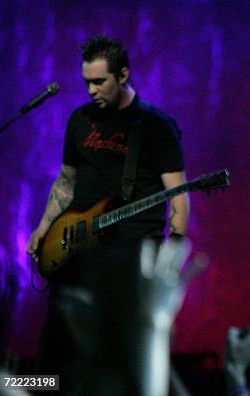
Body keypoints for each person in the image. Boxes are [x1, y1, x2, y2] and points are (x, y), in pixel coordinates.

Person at [25, 36, 190, 393]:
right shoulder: (79, 120)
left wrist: (171, 256)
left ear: (123, 74)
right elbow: (66, 181)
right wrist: (42, 227)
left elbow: (180, 197)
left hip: (129, 254)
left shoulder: (156, 127)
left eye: (99, 81)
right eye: (86, 81)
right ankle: (34, 389)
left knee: (124, 355)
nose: (91, 90)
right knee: (52, 352)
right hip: (75, 247)